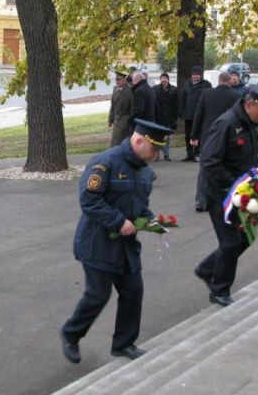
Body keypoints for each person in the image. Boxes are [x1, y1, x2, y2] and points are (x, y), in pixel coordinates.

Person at [60, 119, 173, 364]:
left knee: (133, 292)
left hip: (127, 246)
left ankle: (123, 344)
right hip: (97, 243)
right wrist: (118, 221)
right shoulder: (106, 162)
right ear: (139, 140)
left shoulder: (144, 170)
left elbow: (141, 207)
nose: (156, 155)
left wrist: (152, 222)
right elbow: (89, 200)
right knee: (98, 295)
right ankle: (71, 334)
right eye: (154, 149)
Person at [195, 86, 258, 307]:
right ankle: (219, 289)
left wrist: (257, 180)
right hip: (220, 193)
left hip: (242, 191)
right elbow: (209, 161)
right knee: (231, 242)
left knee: (246, 236)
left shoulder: (249, 123)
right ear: (250, 104)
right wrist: (235, 184)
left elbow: (251, 158)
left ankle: (208, 269)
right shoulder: (227, 124)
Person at [190, 72, 242, 211]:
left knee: (204, 170)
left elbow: (198, 115)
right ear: (230, 81)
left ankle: (200, 201)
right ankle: (223, 200)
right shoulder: (236, 96)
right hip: (227, 139)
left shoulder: (206, 94)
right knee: (224, 168)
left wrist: (194, 136)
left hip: (207, 137)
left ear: (218, 81)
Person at [179, 65, 212, 162]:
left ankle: (196, 153)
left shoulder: (206, 85)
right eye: (193, 74)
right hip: (188, 114)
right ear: (191, 75)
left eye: (197, 74)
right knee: (188, 135)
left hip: (200, 115)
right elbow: (182, 98)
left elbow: (210, 99)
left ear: (200, 75)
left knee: (198, 135)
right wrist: (181, 111)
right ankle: (189, 153)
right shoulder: (187, 84)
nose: (195, 76)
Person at [153, 72, 179, 161]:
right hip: (158, 118)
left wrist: (175, 117)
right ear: (160, 79)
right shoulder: (155, 89)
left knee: (167, 138)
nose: (164, 79)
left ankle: (166, 154)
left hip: (169, 118)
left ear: (168, 79)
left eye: (165, 78)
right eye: (162, 78)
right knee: (156, 137)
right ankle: (156, 155)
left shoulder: (174, 90)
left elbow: (176, 105)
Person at [108, 71, 133, 147]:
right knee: (115, 143)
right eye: (116, 80)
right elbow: (112, 106)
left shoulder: (130, 91)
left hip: (125, 121)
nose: (117, 82)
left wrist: (131, 123)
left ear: (124, 81)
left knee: (123, 143)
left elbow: (132, 108)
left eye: (119, 80)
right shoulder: (115, 89)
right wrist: (110, 119)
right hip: (116, 120)